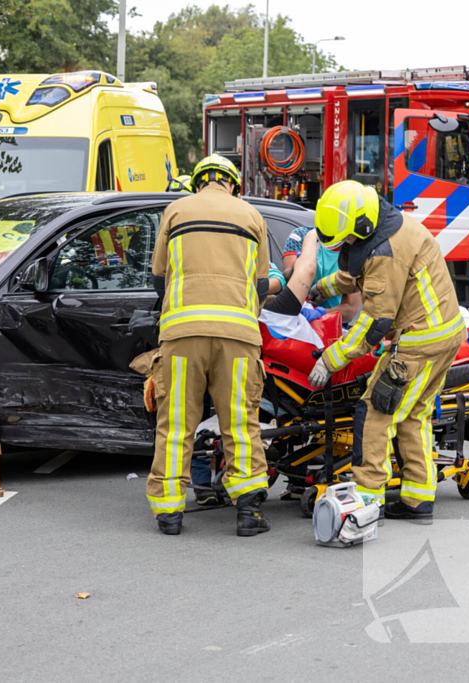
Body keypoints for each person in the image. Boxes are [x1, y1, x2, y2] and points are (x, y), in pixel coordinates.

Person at [307, 180, 466, 526]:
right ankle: (417, 500)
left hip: (420, 343)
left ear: (361, 225)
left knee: (374, 413)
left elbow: (374, 323)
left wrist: (330, 360)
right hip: (443, 335)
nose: (346, 245)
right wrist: (322, 287)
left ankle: (368, 501)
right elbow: (358, 273)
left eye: (347, 239)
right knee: (413, 415)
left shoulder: (386, 251)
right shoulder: (387, 225)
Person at [146, 154, 271, 536]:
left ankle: (169, 513)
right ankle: (248, 512)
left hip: (183, 333)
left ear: (198, 182)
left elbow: (159, 277)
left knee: (176, 424)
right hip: (238, 337)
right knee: (240, 423)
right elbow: (261, 284)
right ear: (233, 184)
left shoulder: (176, 211)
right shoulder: (252, 215)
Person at [282, 225, 362, 322]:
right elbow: (286, 280)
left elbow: (350, 310)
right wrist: (295, 268)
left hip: (328, 325)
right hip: (291, 317)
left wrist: (321, 313)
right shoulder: (300, 236)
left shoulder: (355, 247)